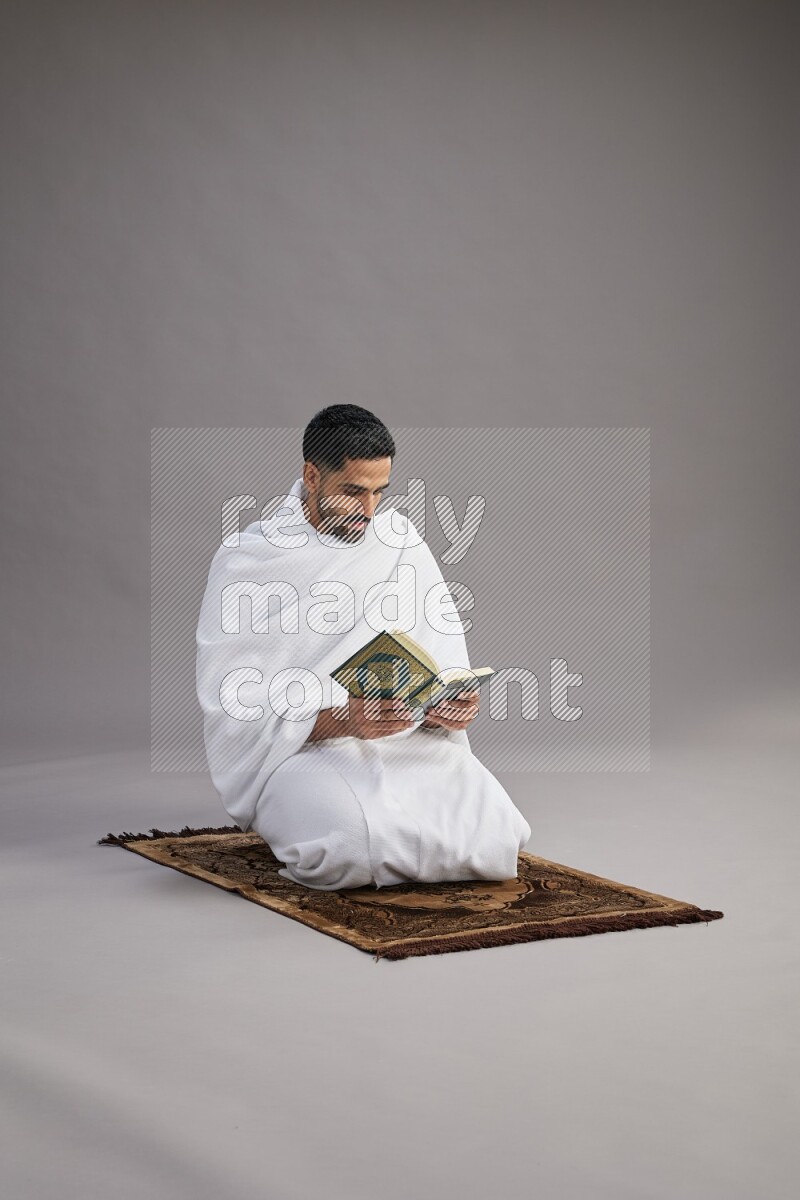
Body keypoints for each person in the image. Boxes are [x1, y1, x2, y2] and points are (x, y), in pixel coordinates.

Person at [195, 405, 532, 890]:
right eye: (354, 491)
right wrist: (343, 719)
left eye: (380, 492)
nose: (369, 510)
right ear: (312, 476)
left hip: (405, 741)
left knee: (498, 835)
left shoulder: (400, 544)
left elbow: (443, 662)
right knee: (351, 847)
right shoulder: (248, 561)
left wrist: (450, 708)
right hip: (299, 753)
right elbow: (234, 704)